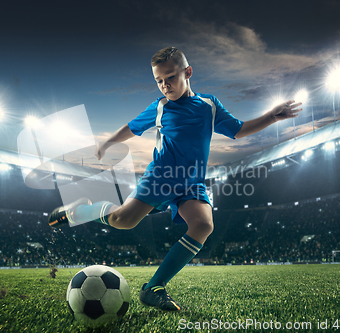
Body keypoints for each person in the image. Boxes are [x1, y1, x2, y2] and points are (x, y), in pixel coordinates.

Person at [49, 47, 302, 311]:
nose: (164, 85)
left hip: (191, 183)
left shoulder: (209, 105)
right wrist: (107, 143)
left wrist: (272, 116)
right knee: (122, 220)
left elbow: (238, 130)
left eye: (169, 77)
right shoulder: (160, 107)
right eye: (159, 80)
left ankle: (154, 287)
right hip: (162, 176)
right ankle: (80, 210)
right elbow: (133, 127)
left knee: (203, 225)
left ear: (188, 72)